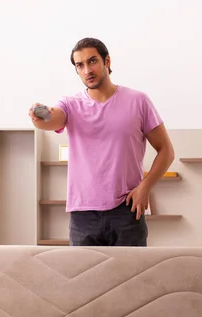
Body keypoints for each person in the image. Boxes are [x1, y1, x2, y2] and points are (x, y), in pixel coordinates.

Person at [28, 37, 175, 247]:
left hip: (127, 210)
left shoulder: (138, 101)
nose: (87, 69)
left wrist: (145, 187)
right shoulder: (71, 105)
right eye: (80, 65)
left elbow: (166, 151)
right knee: (84, 280)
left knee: (131, 278)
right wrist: (38, 111)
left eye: (92, 61)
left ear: (107, 61)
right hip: (83, 215)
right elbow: (51, 118)